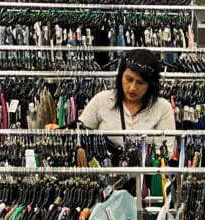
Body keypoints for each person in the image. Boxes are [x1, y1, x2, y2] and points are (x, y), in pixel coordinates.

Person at [45, 49, 175, 147]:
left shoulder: (163, 109)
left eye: (140, 83)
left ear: (150, 85)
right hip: (106, 178)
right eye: (128, 79)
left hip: (148, 181)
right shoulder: (103, 100)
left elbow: (164, 154)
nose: (133, 88)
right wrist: (60, 131)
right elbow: (80, 131)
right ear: (120, 77)